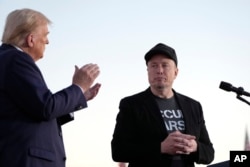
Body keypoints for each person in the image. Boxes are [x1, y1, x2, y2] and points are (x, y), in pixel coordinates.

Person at [0, 8, 101, 167]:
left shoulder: (8, 59)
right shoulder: (16, 59)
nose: (47, 41)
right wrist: (78, 87)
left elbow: (34, 111)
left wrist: (80, 96)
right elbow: (46, 107)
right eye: (45, 35)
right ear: (31, 39)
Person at [111, 43, 214, 167]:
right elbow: (118, 151)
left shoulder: (193, 106)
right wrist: (160, 148)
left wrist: (195, 147)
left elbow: (209, 153)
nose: (159, 70)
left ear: (176, 72)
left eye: (165, 65)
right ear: (148, 71)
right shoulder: (131, 105)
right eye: (154, 66)